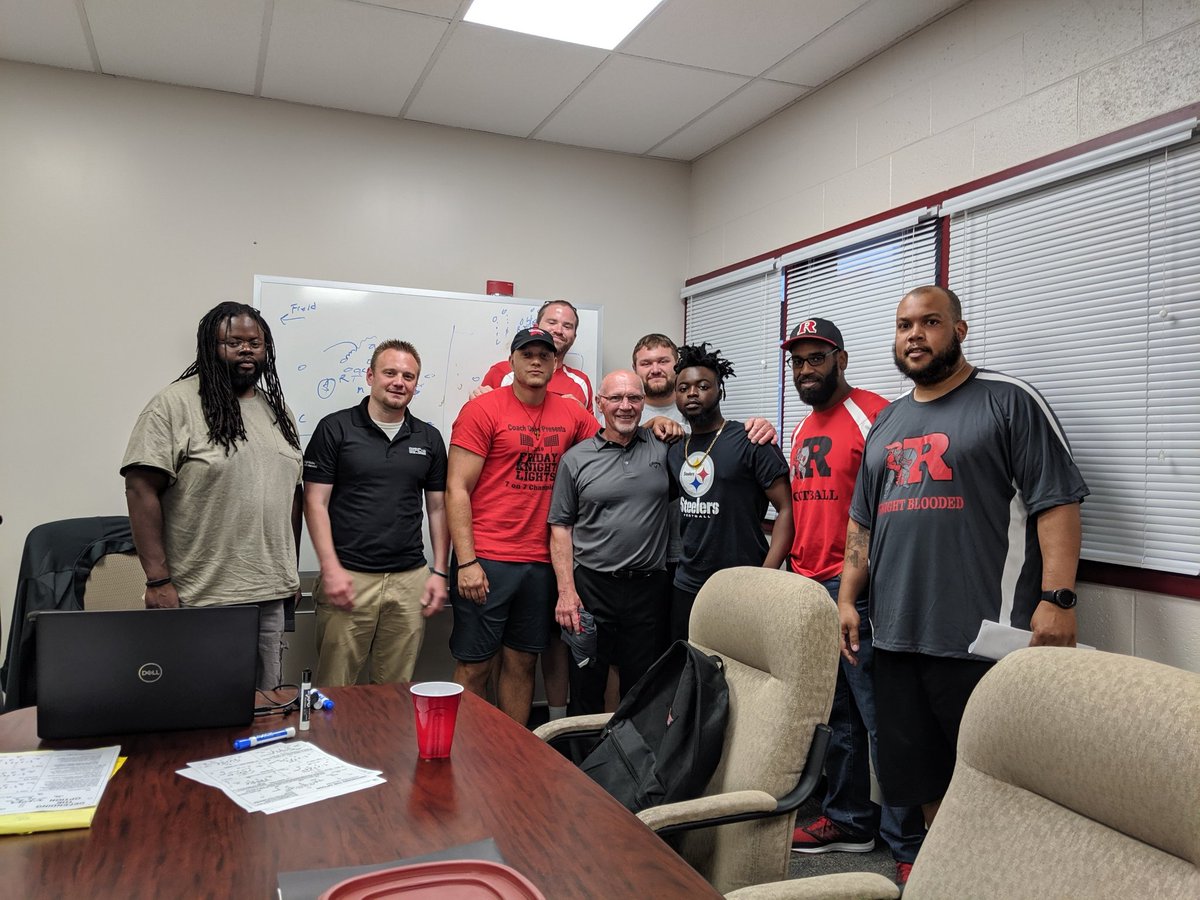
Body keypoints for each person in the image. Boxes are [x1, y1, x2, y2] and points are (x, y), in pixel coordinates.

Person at [839, 285, 1088, 832]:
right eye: (904, 326)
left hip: (982, 638)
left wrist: (1058, 600)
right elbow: (863, 521)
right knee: (923, 782)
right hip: (897, 635)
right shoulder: (887, 421)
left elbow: (1057, 504)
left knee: (999, 790)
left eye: (929, 323)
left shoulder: (1008, 399)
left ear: (959, 330)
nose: (914, 336)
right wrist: (848, 599)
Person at [780, 318, 924, 883]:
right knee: (834, 715)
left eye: (816, 359)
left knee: (882, 716)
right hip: (809, 585)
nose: (805, 370)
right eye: (798, 362)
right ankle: (848, 819)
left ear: (840, 359)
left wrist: (861, 588)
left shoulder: (878, 413)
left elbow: (901, 504)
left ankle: (908, 840)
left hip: (857, 592)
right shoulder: (803, 427)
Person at [121, 302, 303, 690]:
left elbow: (290, 494)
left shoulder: (278, 412)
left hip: (268, 593)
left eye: (255, 342)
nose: (246, 350)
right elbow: (140, 488)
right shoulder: (174, 404)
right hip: (200, 597)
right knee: (196, 710)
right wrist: (157, 580)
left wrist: (291, 570)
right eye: (233, 342)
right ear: (209, 347)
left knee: (264, 708)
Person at [446, 326, 603, 725]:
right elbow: (457, 488)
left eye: (544, 355)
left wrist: (656, 427)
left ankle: (511, 756)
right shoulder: (482, 409)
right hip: (487, 560)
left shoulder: (571, 412)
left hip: (540, 563)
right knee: (475, 666)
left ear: (555, 363)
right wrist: (466, 561)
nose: (536, 361)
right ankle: (465, 753)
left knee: (522, 664)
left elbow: (612, 445)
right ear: (511, 360)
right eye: (527, 353)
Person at [302, 339, 450, 687]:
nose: (399, 381)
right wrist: (330, 569)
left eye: (408, 376)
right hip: (349, 578)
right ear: (370, 376)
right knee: (335, 689)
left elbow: (439, 508)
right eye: (390, 372)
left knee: (395, 689)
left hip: (409, 580)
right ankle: (332, 744)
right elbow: (314, 503)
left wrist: (440, 572)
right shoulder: (335, 428)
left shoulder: (428, 438)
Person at [549, 370, 672, 714]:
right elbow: (561, 527)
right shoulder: (576, 458)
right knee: (586, 681)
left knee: (641, 687)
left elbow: (705, 452)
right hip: (592, 588)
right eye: (616, 398)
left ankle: (628, 764)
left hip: (649, 589)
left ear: (643, 402)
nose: (625, 406)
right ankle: (581, 763)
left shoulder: (663, 450)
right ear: (600, 403)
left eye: (634, 398)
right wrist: (566, 591)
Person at [666, 342, 794, 642]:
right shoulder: (674, 450)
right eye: (683, 388)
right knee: (690, 669)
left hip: (743, 583)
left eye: (702, 386)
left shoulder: (752, 440)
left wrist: (765, 576)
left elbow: (786, 509)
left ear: (720, 390)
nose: (692, 393)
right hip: (687, 585)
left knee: (739, 675)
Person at [474, 300, 593, 406]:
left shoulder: (581, 383)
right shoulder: (501, 372)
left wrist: (581, 416)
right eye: (552, 322)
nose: (558, 330)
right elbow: (477, 420)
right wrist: (476, 403)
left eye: (567, 326)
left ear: (574, 336)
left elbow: (593, 431)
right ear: (536, 327)